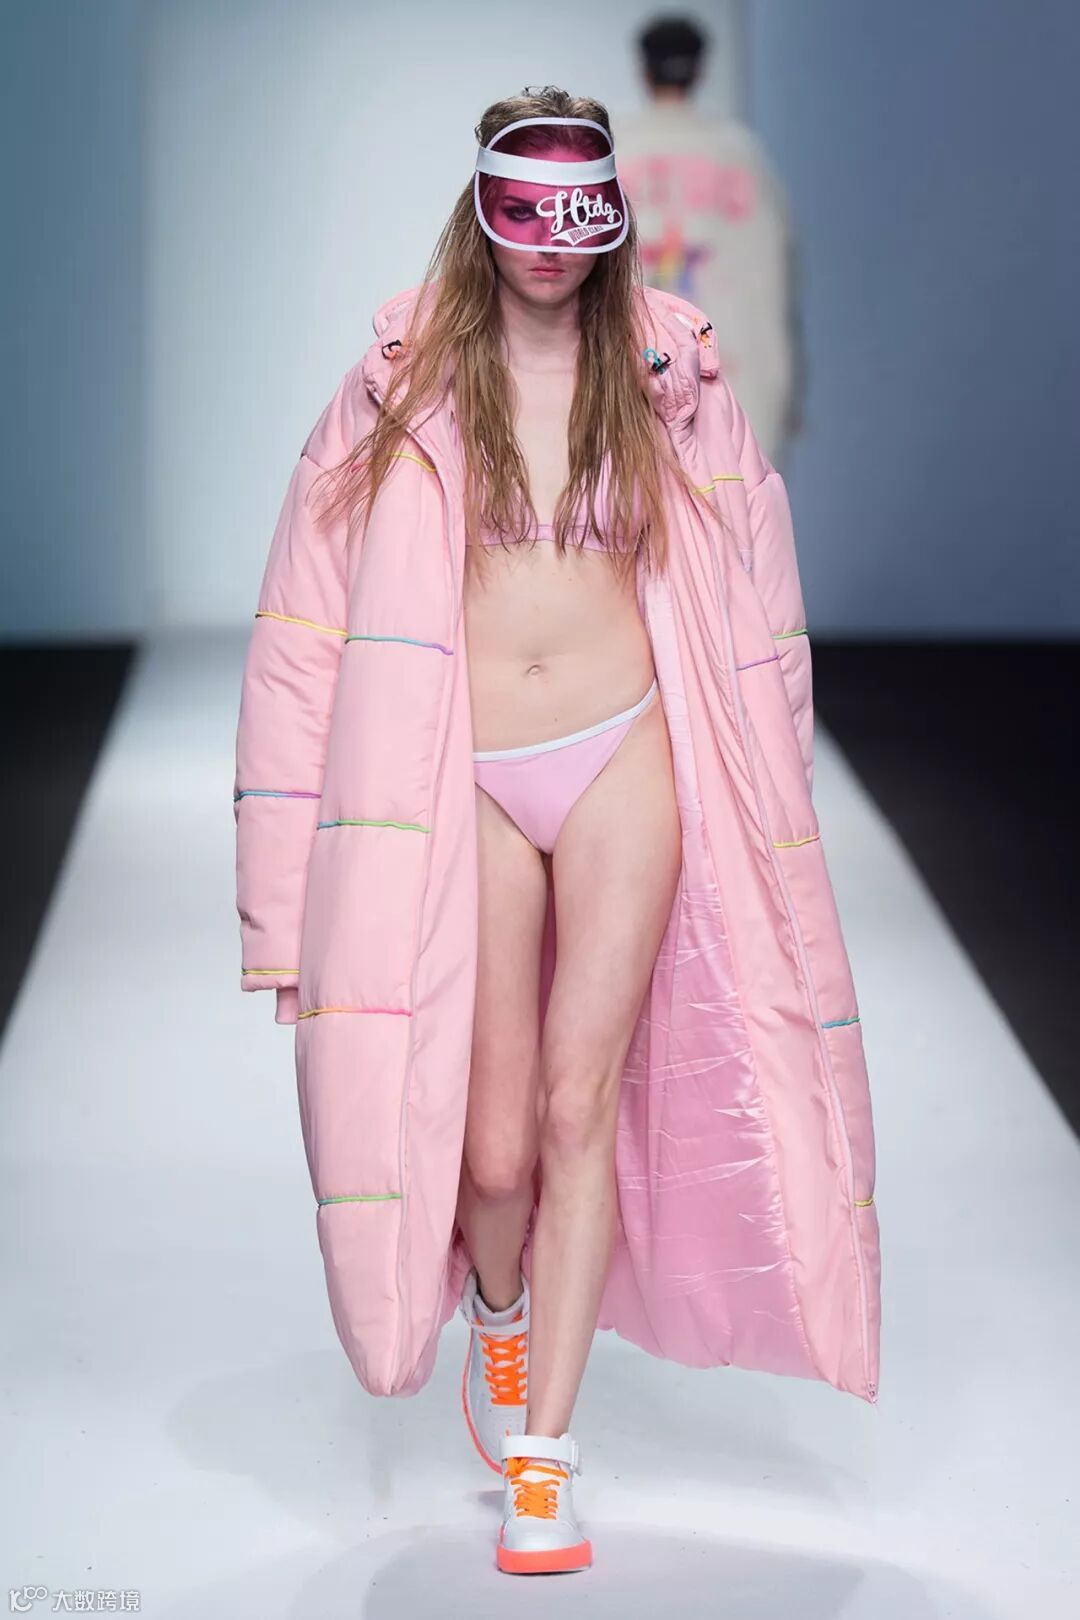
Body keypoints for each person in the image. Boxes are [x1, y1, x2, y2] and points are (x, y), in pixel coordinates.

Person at [233, 86, 880, 1578]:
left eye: (576, 213)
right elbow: (299, 635)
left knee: (581, 1103)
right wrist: (279, 909)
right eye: (522, 210)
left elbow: (761, 585)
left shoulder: (668, 375)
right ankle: (502, 1314)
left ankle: (547, 1459)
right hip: (462, 769)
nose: (548, 241)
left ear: (612, 218)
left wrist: (773, 796)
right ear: (480, 211)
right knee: (497, 1144)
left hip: (623, 752)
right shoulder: (398, 387)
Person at [617, 15, 804, 465]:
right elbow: (777, 278)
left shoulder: (614, 152)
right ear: (701, 71)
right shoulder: (741, 156)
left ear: (643, 70)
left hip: (634, 382)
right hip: (735, 381)